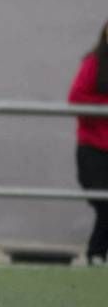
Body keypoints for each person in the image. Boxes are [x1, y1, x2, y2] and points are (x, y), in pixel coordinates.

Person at [70, 19, 108, 266]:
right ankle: (96, 253)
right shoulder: (94, 63)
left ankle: (97, 255)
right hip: (93, 149)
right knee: (105, 203)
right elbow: (76, 98)